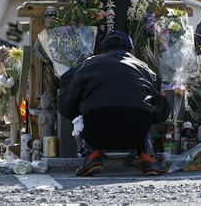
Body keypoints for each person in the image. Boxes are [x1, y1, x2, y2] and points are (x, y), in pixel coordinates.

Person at [58, 29, 169, 177]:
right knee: (143, 113)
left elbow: (67, 101)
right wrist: (151, 118)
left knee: (84, 117)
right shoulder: (144, 68)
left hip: (97, 129)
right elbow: (161, 108)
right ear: (131, 50)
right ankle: (148, 159)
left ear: (103, 50)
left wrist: (77, 111)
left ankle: (92, 156)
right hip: (136, 129)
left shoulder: (87, 64)